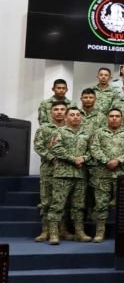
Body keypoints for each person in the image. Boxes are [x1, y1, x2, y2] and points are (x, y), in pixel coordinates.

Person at [88, 108, 124, 242]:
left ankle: (123, 234)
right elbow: (94, 148)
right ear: (107, 118)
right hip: (103, 173)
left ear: (122, 118)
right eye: (111, 116)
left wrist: (118, 160)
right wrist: (106, 161)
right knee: (101, 204)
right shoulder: (99, 132)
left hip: (122, 175)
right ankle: (100, 232)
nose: (114, 118)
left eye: (117, 116)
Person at [45, 107, 90, 244]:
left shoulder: (86, 134)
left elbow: (91, 150)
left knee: (79, 205)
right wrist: (72, 159)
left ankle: (79, 232)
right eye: (72, 115)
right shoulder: (58, 132)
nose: (75, 117)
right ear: (66, 117)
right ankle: (54, 233)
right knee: (57, 205)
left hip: (80, 174)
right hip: (62, 174)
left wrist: (84, 158)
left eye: (77, 115)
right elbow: (56, 149)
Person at [33, 101, 68, 242]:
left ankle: (62, 229)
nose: (59, 111)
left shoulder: (70, 128)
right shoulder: (44, 129)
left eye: (62, 109)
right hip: (49, 170)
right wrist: (52, 158)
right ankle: (45, 230)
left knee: (64, 202)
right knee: (47, 201)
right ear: (51, 112)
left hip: (66, 171)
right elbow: (38, 146)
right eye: (56, 109)